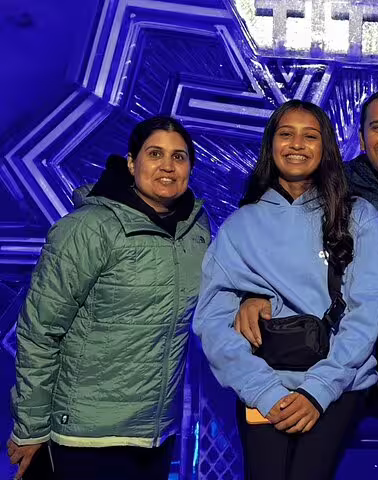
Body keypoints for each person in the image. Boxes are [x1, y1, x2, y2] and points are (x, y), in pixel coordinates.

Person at [192, 100, 378, 480]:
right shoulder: (239, 225)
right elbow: (212, 323)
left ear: (326, 147)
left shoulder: (358, 216)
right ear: (271, 145)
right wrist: (262, 390)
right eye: (286, 134)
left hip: (336, 382)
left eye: (310, 135)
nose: (297, 144)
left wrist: (316, 391)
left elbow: (364, 317)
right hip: (264, 381)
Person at [8, 116, 210, 480]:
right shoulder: (88, 229)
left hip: (155, 436)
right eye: (155, 154)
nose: (167, 165)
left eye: (179, 157)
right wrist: (31, 427)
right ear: (132, 163)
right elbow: (40, 333)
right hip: (85, 437)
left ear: (190, 168)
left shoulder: (196, 230)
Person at [234, 87, 378, 428]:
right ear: (361, 139)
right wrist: (255, 293)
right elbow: (268, 247)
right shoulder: (325, 193)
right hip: (328, 363)